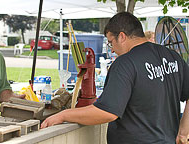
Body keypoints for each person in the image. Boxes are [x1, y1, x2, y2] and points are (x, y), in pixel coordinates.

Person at [41, 12, 189, 144]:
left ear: (122, 36)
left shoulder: (125, 63)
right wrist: (183, 132)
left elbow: (107, 112)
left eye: (111, 42)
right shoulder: (172, 56)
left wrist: (64, 115)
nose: (111, 49)